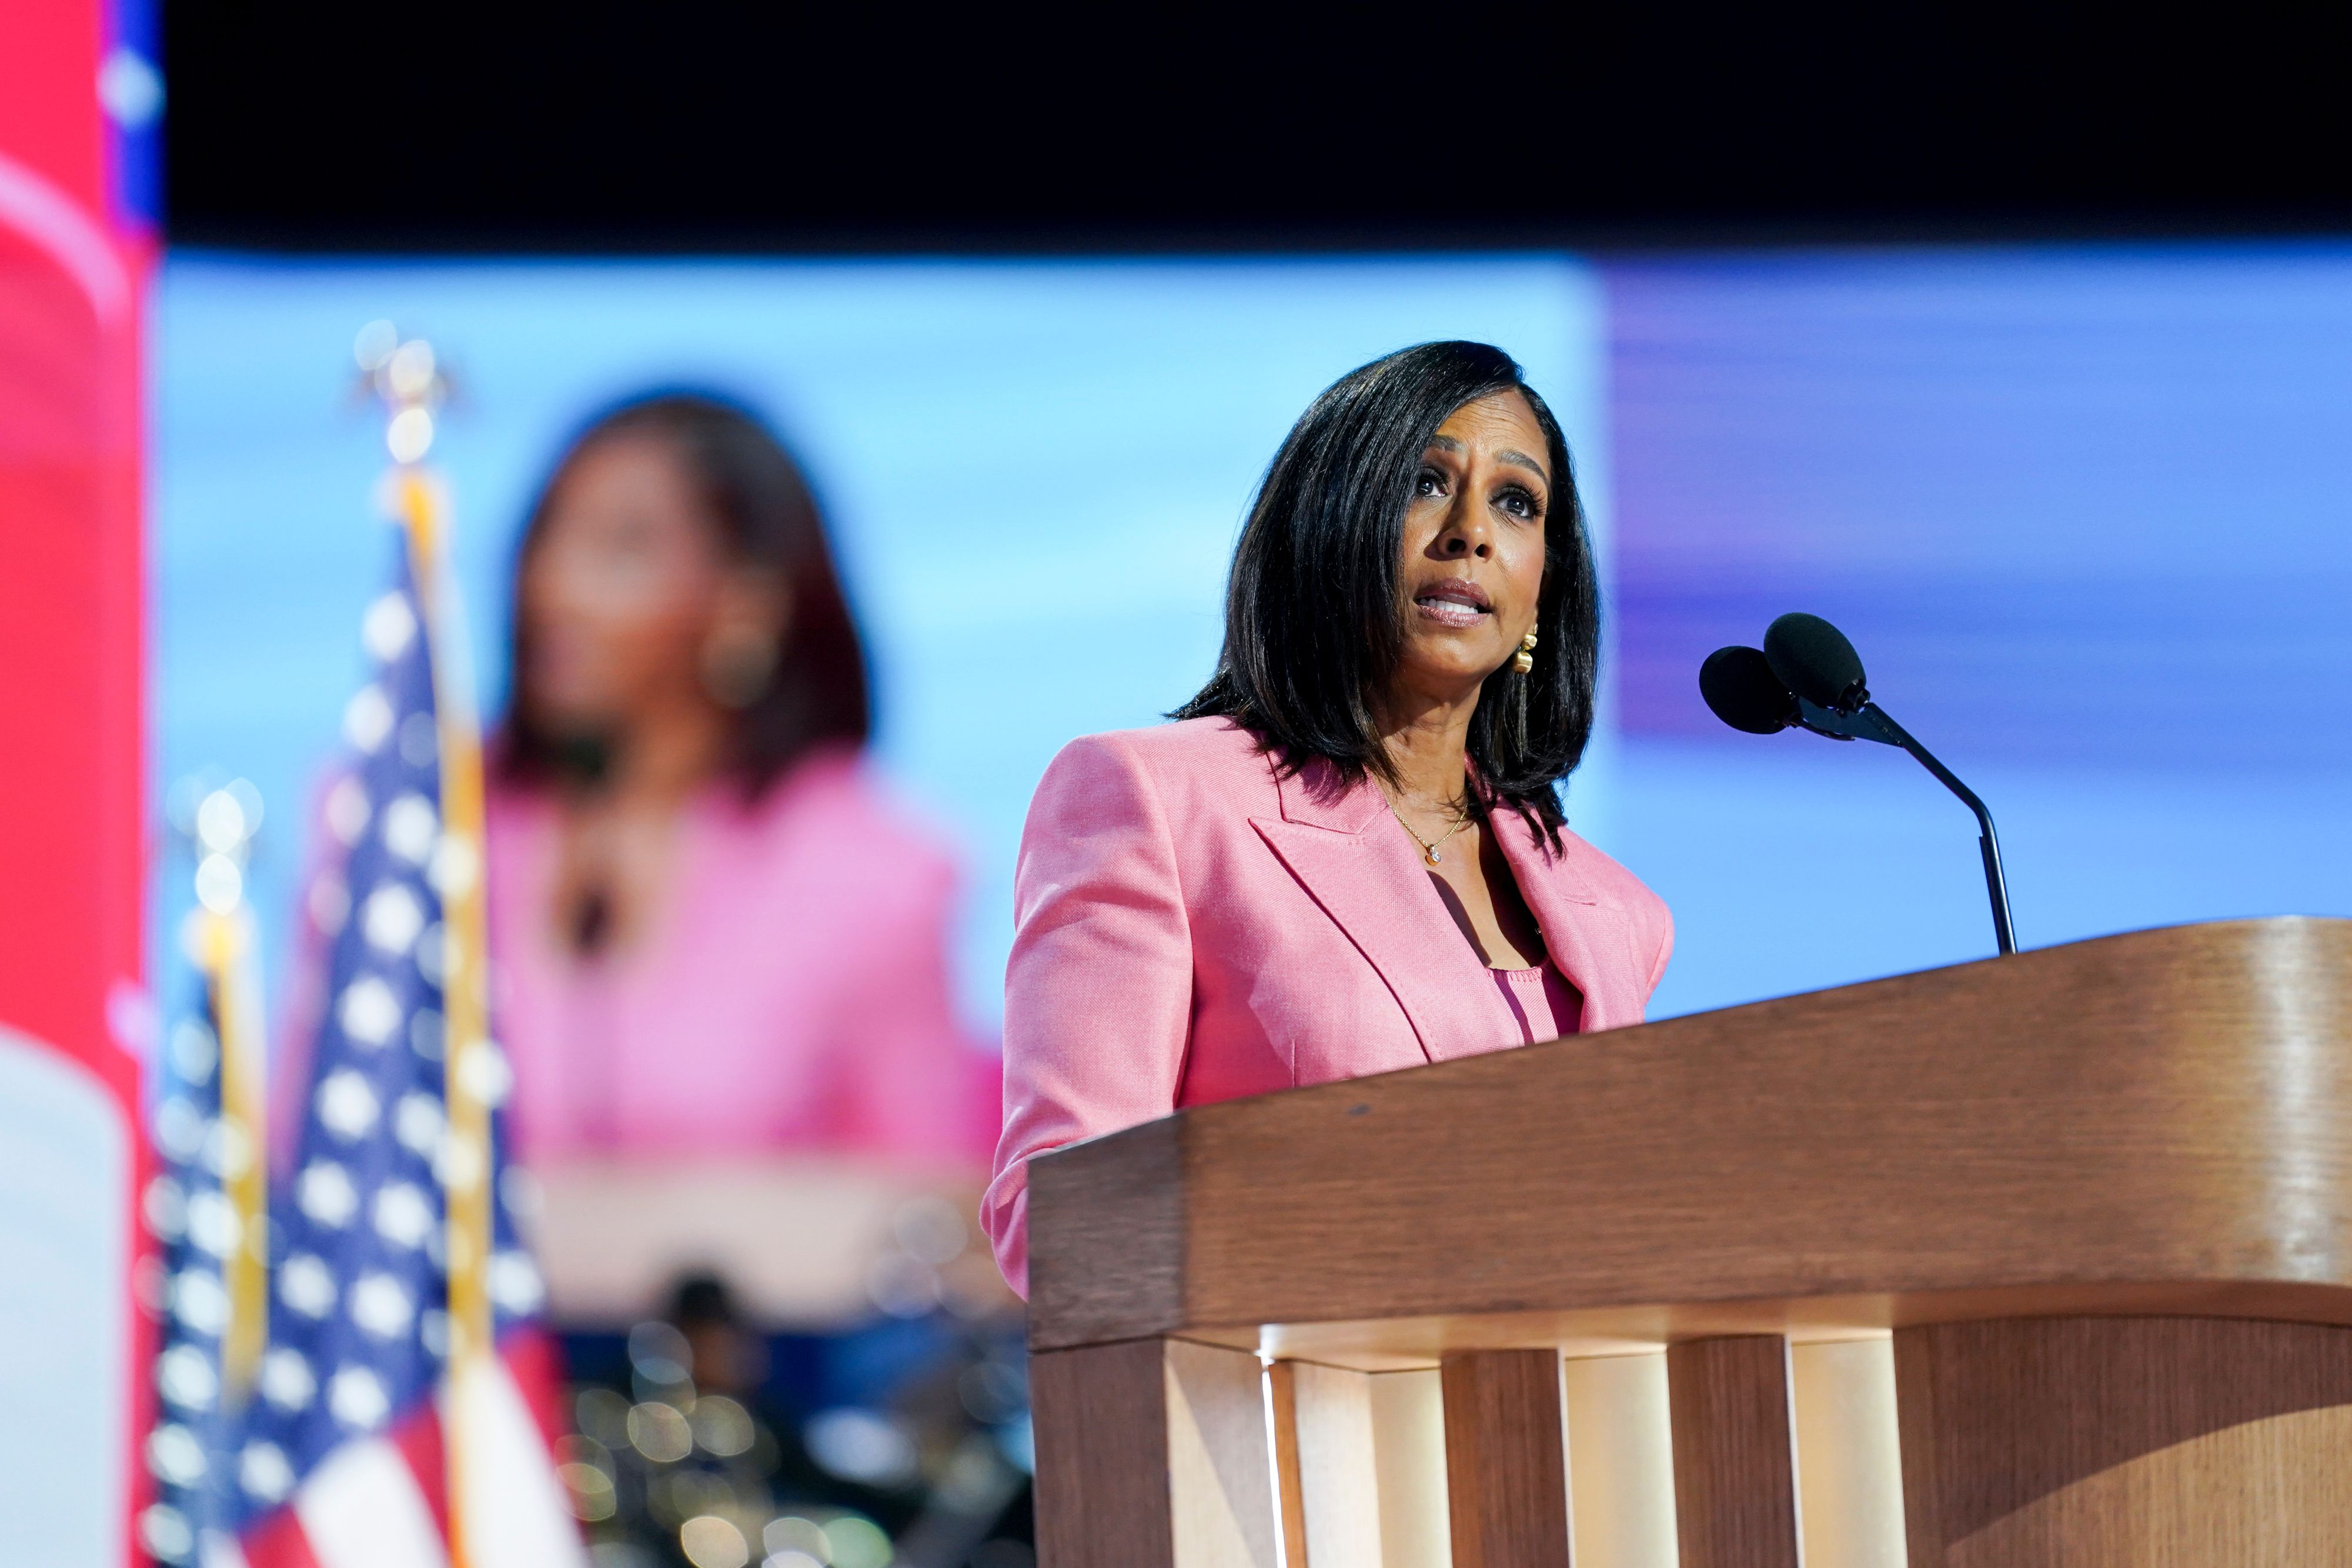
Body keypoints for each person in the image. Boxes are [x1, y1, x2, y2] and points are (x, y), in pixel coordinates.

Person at [983, 342, 1673, 1295]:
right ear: (1330, 525)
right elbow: (1060, 1220)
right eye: (1427, 483)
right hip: (1288, 1421)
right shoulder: (1155, 802)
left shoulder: (1617, 914)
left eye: (1517, 502)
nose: (1472, 532)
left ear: (1546, 584)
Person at [487, 392, 993, 1168]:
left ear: (744, 606)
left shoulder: (867, 875)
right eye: (547, 537)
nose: (554, 589)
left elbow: (928, 1219)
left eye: (620, 549)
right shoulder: (420, 828)